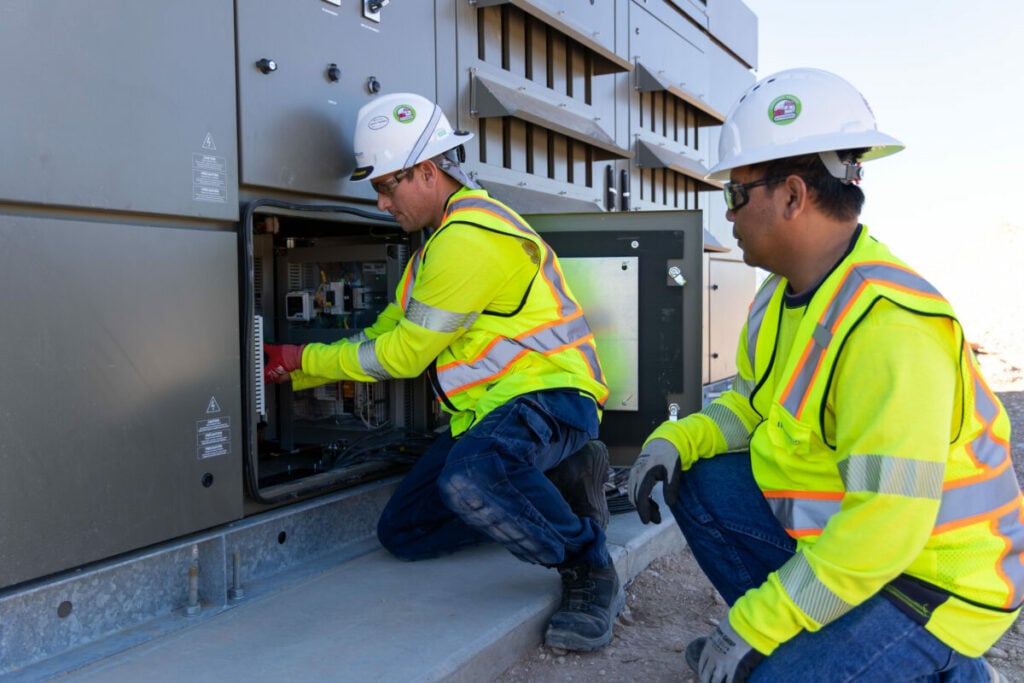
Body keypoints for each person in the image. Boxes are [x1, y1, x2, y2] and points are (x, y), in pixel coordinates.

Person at [628, 68, 1023, 682]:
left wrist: (753, 625)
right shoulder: (778, 296)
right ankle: (806, 647)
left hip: (934, 581)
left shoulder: (890, 326)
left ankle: (954, 669)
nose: (728, 215)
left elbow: (884, 529)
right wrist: (675, 439)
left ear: (791, 195)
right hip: (867, 549)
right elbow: (751, 408)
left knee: (762, 671)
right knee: (699, 477)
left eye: (736, 194)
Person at [264, 92, 621, 651]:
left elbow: (404, 355)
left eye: (386, 186)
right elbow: (389, 326)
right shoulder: (434, 247)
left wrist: (303, 360)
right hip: (489, 414)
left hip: (551, 398)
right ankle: (556, 482)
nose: (381, 203)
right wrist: (298, 369)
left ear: (427, 172)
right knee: (403, 532)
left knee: (473, 477)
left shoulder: (469, 239)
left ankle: (589, 564)